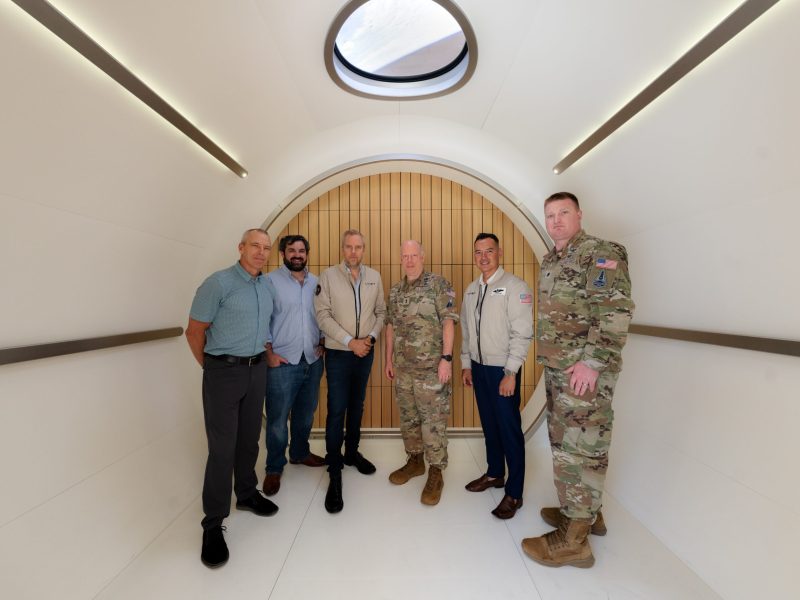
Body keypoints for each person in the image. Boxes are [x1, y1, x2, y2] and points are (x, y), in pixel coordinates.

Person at [521, 192, 635, 568]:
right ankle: (583, 514)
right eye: (550, 215)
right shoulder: (554, 259)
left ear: (579, 215)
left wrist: (592, 361)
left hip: (584, 376)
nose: (555, 221)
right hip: (561, 373)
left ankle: (574, 543)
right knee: (569, 445)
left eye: (563, 213)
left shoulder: (600, 253)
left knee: (580, 450)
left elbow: (614, 310)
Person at [185, 228, 280, 569]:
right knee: (221, 449)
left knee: (249, 440)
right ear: (241, 247)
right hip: (224, 371)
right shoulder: (218, 283)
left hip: (256, 370)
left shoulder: (264, 285)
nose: (260, 252)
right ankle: (212, 524)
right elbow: (194, 332)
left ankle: (247, 494)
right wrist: (211, 368)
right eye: (255, 245)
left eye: (266, 248)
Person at [460, 233, 533, 520]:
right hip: (479, 368)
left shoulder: (515, 287)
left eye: (489, 251)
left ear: (499, 252)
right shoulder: (470, 290)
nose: (483, 257)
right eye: (478, 252)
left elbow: (522, 332)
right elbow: (466, 333)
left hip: (503, 370)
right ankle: (494, 474)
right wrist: (467, 364)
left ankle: (514, 492)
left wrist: (511, 372)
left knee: (509, 430)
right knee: (489, 426)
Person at [314, 229, 386, 513]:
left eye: (358, 247)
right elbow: (322, 315)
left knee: (357, 406)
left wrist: (370, 339)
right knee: (336, 410)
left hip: (365, 352)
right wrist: (350, 342)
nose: (353, 252)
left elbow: (381, 312)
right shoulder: (328, 276)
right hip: (338, 354)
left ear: (364, 250)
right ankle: (334, 470)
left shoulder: (374, 277)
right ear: (342, 249)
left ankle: (351, 453)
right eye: (349, 247)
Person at [384, 240, 459, 506]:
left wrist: (446, 359)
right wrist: (388, 360)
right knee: (409, 419)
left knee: (433, 422)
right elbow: (390, 326)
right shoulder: (395, 291)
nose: (410, 260)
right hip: (403, 370)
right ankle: (415, 461)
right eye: (405, 256)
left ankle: (436, 471)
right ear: (401, 259)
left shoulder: (439, 284)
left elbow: (448, 322)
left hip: (431, 371)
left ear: (423, 256)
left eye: (414, 255)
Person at [262, 235, 326, 498]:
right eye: (292, 251)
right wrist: (269, 353)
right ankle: (274, 467)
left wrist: (322, 340)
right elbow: (262, 319)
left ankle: (300, 453)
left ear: (307, 254)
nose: (297, 255)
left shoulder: (317, 283)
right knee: (277, 419)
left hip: (312, 360)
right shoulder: (269, 282)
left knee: (305, 413)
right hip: (283, 362)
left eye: (301, 250)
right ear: (283, 254)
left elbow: (322, 314)